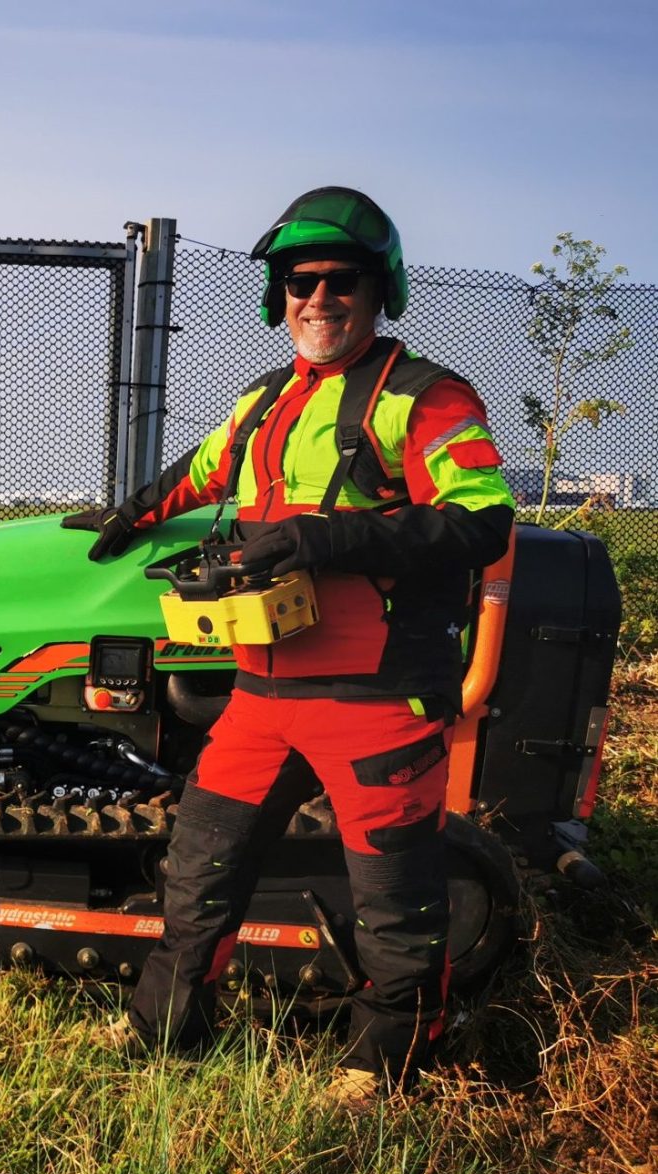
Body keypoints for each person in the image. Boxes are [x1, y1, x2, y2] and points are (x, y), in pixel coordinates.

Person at [64, 187, 515, 1111]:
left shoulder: (426, 398)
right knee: (198, 868)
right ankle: (167, 1029)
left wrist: (327, 538)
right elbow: (204, 467)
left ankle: (384, 1064)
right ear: (279, 295)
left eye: (337, 279)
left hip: (382, 698)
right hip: (263, 699)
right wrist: (131, 509)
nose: (317, 297)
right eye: (298, 281)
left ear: (376, 287)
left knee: (395, 900)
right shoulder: (267, 400)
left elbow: (482, 520)